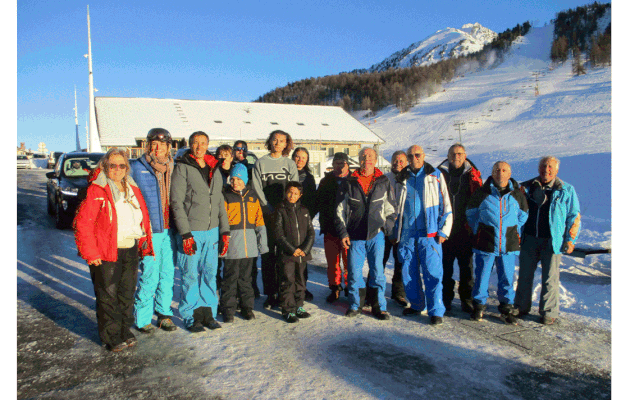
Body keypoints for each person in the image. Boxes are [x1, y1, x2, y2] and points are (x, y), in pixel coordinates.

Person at [74, 148, 153, 352]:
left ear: (127, 168)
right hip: (106, 250)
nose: (117, 169)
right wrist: (90, 253)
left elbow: (142, 215)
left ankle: (124, 330)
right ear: (104, 166)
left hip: (130, 247)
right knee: (108, 295)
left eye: (122, 165)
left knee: (126, 293)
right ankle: (111, 335)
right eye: (113, 165)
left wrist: (145, 241)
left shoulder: (132, 188)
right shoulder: (97, 190)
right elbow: (83, 223)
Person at [171, 131, 230, 333]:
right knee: (189, 275)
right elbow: (176, 202)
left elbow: (219, 201)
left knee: (210, 273)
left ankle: (208, 312)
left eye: (203, 143)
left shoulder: (214, 168)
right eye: (195, 143)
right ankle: (190, 314)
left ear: (207, 145)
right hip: (192, 231)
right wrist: (185, 233)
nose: (199, 146)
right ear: (190, 145)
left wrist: (225, 230)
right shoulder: (182, 168)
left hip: (212, 231)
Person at [514, 156, 581, 325]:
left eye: (550, 167)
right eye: (544, 166)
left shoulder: (566, 190)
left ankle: (549, 311)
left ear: (556, 170)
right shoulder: (526, 187)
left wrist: (570, 240)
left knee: (550, 277)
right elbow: (515, 211)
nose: (547, 170)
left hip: (552, 240)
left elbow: (574, 216)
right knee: (524, 275)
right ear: (539, 169)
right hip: (529, 238)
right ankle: (521, 307)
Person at [334, 147, 397, 320]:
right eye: (363, 156)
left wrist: (386, 227)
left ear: (375, 159)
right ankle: (355, 305)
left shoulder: (383, 181)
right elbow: (339, 211)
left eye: (370, 156)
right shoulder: (350, 182)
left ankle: (379, 307)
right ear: (359, 160)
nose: (366, 159)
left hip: (376, 235)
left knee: (377, 272)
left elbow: (391, 209)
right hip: (355, 236)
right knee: (354, 273)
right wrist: (343, 233)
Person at [393, 145, 452, 325]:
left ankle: (436, 310)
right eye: (410, 156)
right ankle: (417, 304)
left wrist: (444, 230)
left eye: (417, 155)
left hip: (430, 234)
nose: (414, 158)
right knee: (409, 273)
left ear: (424, 156)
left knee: (433, 273)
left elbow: (446, 206)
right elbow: (395, 207)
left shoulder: (435, 175)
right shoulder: (401, 177)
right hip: (408, 234)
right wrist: (395, 231)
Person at [466, 161, 528, 324]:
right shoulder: (482, 193)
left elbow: (523, 216)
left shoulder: (517, 194)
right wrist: (480, 229)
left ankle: (506, 308)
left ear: (509, 173)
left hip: (508, 243)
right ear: (492, 173)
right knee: (482, 276)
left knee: (507, 277)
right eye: (497, 170)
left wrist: (511, 229)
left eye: (504, 170)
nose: (500, 173)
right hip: (485, 242)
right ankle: (479, 306)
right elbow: (471, 214)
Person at [130, 128, 178, 334]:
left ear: (169, 147)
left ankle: (164, 314)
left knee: (167, 274)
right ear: (147, 145)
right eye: (153, 144)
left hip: (170, 229)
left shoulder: (173, 167)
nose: (157, 148)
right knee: (150, 275)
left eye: (162, 144)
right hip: (150, 231)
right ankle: (142, 318)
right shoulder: (136, 167)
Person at [252, 130, 299, 309]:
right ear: (269, 141)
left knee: (285, 256)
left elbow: (294, 189)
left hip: (285, 215)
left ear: (287, 144)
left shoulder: (289, 164)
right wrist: (267, 208)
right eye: (275, 140)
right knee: (268, 256)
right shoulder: (261, 163)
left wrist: (285, 210)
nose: (278, 143)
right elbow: (257, 187)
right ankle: (270, 294)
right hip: (266, 216)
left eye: (282, 141)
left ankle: (285, 293)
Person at [436, 144, 483, 313]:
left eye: (460, 154)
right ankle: (446, 298)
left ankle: (466, 299)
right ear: (448, 156)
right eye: (453, 153)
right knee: (445, 267)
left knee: (466, 268)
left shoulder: (473, 175)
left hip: (465, 229)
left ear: (465, 156)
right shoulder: (439, 174)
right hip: (445, 229)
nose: (456, 156)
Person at [220, 163, 269, 322]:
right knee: (230, 279)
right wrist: (222, 245)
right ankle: (228, 309)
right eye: (232, 179)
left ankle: (247, 308)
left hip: (250, 247)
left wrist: (263, 244)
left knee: (247, 279)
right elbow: (221, 221)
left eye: (239, 179)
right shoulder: (226, 195)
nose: (235, 182)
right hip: (232, 246)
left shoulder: (252, 196)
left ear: (245, 180)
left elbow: (259, 221)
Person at [274, 182, 315, 323]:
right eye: (290, 192)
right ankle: (288, 309)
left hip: (302, 254)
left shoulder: (304, 210)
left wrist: (305, 249)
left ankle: (299, 306)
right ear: (286, 193)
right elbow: (278, 234)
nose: (293, 196)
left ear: (300, 195)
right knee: (287, 281)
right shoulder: (281, 209)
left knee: (301, 280)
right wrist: (292, 249)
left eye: (296, 193)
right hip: (288, 254)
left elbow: (311, 232)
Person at [317, 152, 351, 303]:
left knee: (349, 261)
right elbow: (318, 202)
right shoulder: (326, 181)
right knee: (333, 262)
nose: (340, 166)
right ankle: (335, 288)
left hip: (349, 230)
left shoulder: (354, 180)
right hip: (330, 228)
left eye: (343, 163)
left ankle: (351, 288)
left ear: (348, 164)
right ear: (332, 165)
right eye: (337, 163)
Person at [382, 150, 409, 307]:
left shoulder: (410, 178)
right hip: (385, 226)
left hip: (403, 228)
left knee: (400, 262)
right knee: (380, 261)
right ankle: (373, 291)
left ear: (406, 163)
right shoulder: (384, 178)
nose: (397, 163)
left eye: (401, 161)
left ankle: (399, 293)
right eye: (394, 160)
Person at [232, 140, 258, 296]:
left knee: (250, 256)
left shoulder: (251, 168)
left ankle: (250, 287)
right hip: (233, 210)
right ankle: (231, 290)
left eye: (243, 149)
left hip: (248, 209)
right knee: (233, 258)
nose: (240, 151)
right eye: (238, 149)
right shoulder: (228, 166)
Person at [292, 147, 317, 301]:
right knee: (288, 257)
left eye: (303, 158)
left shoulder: (308, 177)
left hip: (302, 221)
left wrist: (307, 218)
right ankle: (287, 288)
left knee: (302, 256)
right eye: (297, 156)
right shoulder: (287, 173)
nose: (300, 160)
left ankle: (302, 287)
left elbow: (313, 201)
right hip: (287, 219)